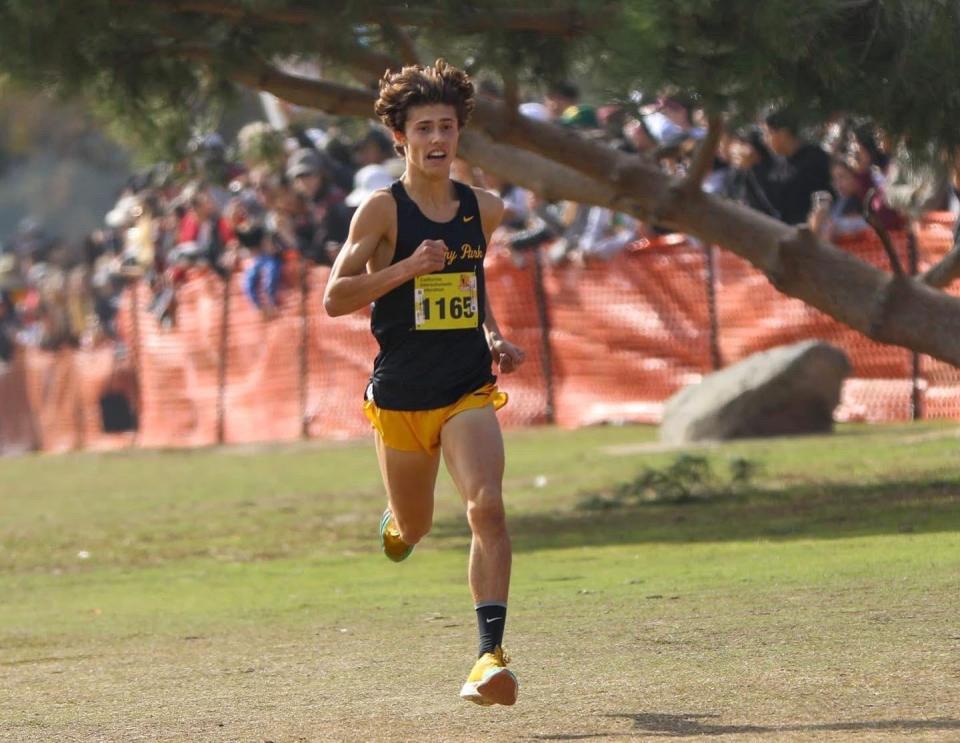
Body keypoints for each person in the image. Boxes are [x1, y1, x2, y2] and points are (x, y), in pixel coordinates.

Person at [323, 59, 525, 707]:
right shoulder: (380, 212)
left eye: (447, 125)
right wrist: (407, 265)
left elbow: (471, 280)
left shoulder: (483, 209)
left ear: (459, 132)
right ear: (401, 139)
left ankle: (487, 656)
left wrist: (492, 331)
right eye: (424, 128)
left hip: (467, 386)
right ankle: (399, 523)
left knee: (487, 506)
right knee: (415, 528)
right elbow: (334, 298)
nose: (438, 138)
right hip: (401, 395)